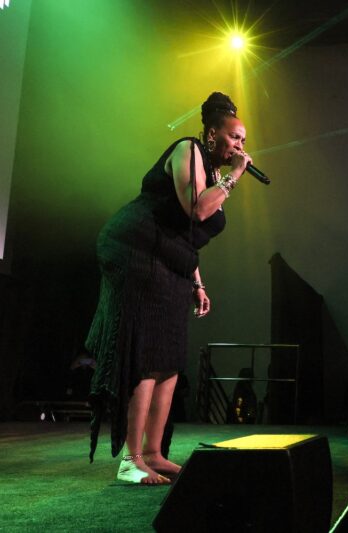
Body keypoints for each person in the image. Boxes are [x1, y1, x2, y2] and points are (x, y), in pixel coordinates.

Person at [85, 92, 253, 484]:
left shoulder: (213, 176)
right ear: (212, 135)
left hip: (171, 261)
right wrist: (235, 175)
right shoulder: (188, 150)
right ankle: (131, 460)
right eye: (235, 138)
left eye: (244, 141)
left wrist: (198, 281)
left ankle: (154, 453)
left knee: (171, 357)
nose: (241, 146)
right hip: (135, 248)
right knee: (145, 353)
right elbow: (195, 210)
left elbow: (188, 238)